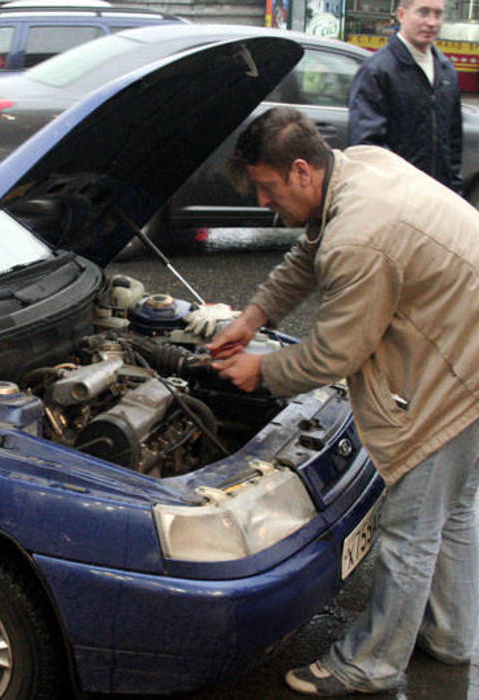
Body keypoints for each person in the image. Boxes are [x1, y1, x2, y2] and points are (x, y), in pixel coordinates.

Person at [208, 106, 479, 696]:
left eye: (266, 187)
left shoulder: (359, 237)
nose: (261, 203)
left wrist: (261, 372)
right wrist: (254, 317)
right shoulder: (359, 168)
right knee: (453, 509)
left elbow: (333, 355)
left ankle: (372, 665)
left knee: (411, 526)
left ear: (302, 170)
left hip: (462, 372)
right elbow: (309, 252)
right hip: (468, 340)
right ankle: (454, 637)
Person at [348, 0, 463, 193]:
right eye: (423, 12)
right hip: (396, 198)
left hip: (438, 197)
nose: (431, 22)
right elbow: (366, 146)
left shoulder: (446, 70)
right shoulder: (376, 71)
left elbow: (453, 143)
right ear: (401, 15)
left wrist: (454, 192)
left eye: (438, 14)